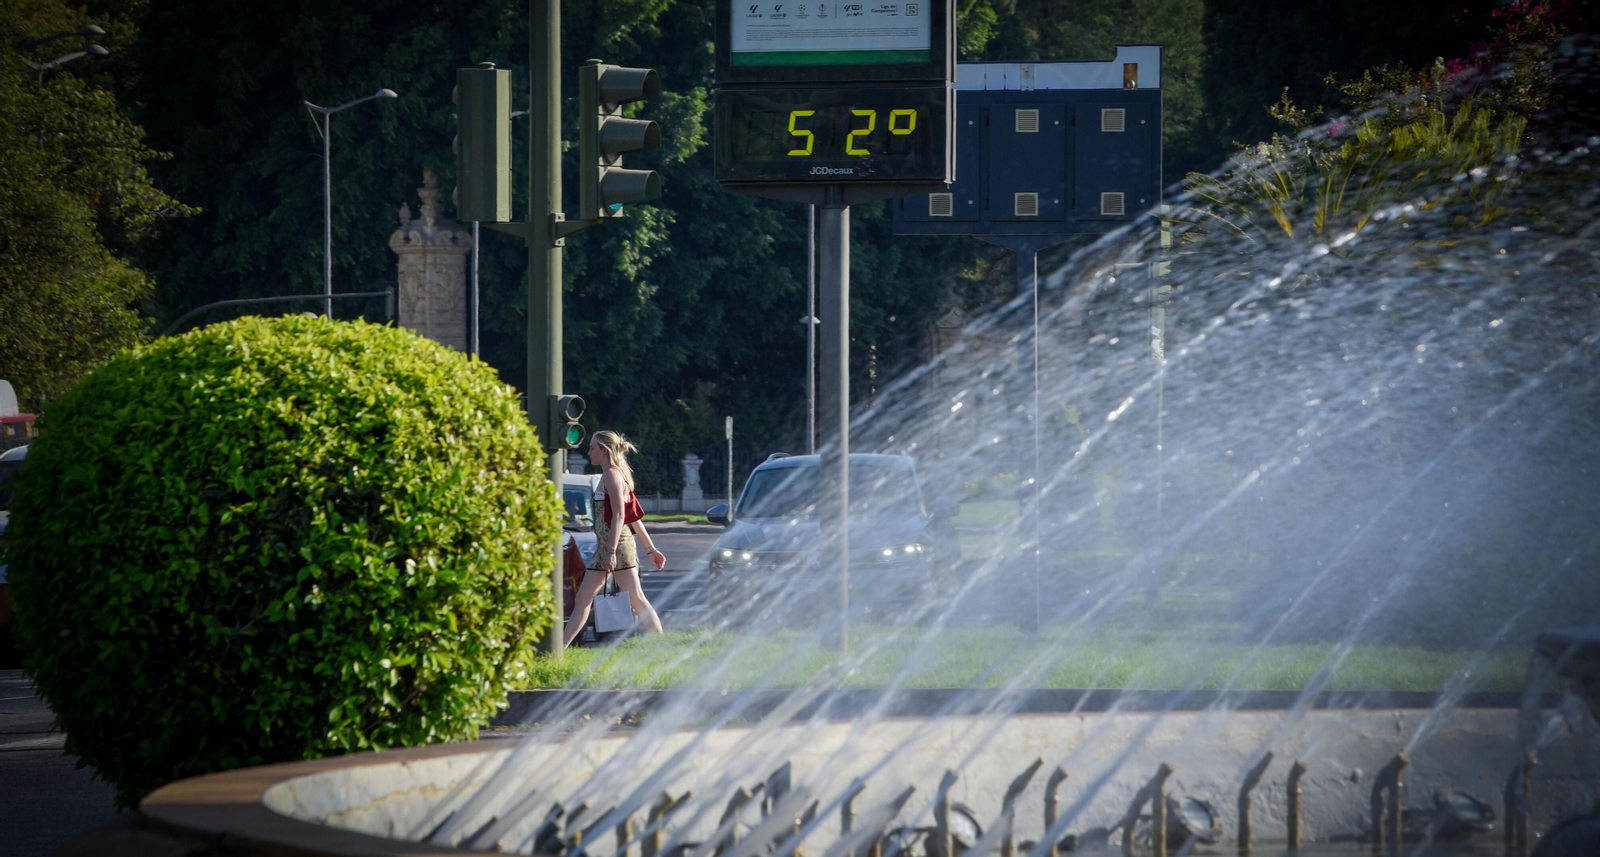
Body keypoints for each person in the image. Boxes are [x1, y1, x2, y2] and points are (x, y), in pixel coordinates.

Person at [563, 431, 666, 645]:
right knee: (583, 598)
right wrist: (651, 549)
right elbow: (633, 518)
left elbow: (621, 515)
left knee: (636, 598)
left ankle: (661, 646)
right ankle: (560, 650)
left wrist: (611, 552)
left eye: (592, 448)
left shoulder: (612, 474)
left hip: (615, 546)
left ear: (604, 450)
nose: (589, 452)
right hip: (608, 546)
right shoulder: (615, 474)